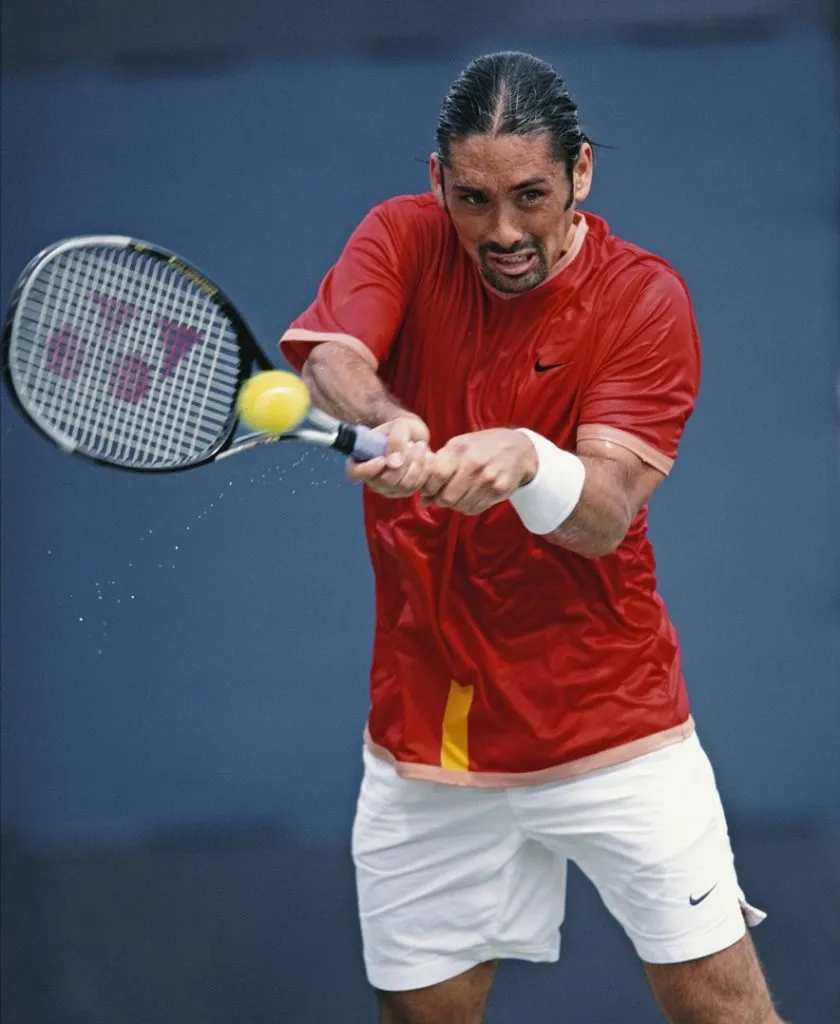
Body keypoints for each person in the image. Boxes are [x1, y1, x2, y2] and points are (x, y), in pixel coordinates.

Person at [280, 51, 784, 1024]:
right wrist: (389, 419)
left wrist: (527, 459)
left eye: (530, 196)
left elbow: (604, 515)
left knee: (725, 1013)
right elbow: (333, 359)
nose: (503, 231)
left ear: (580, 172)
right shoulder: (400, 234)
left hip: (614, 728)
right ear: (439, 182)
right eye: (473, 199)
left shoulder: (643, 298)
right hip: (430, 738)